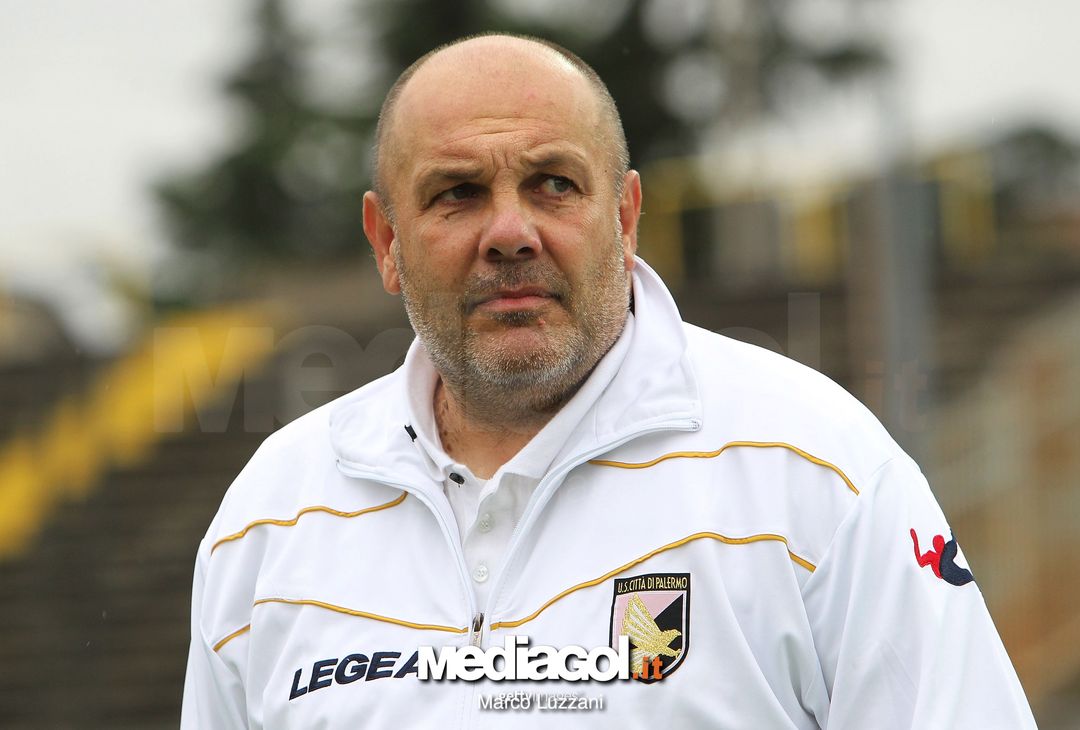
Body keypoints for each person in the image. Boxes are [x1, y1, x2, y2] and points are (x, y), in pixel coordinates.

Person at [182, 33, 1036, 728]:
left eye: (554, 184)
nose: (510, 232)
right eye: (458, 193)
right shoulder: (269, 520)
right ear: (387, 242)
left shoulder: (817, 470)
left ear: (625, 218)